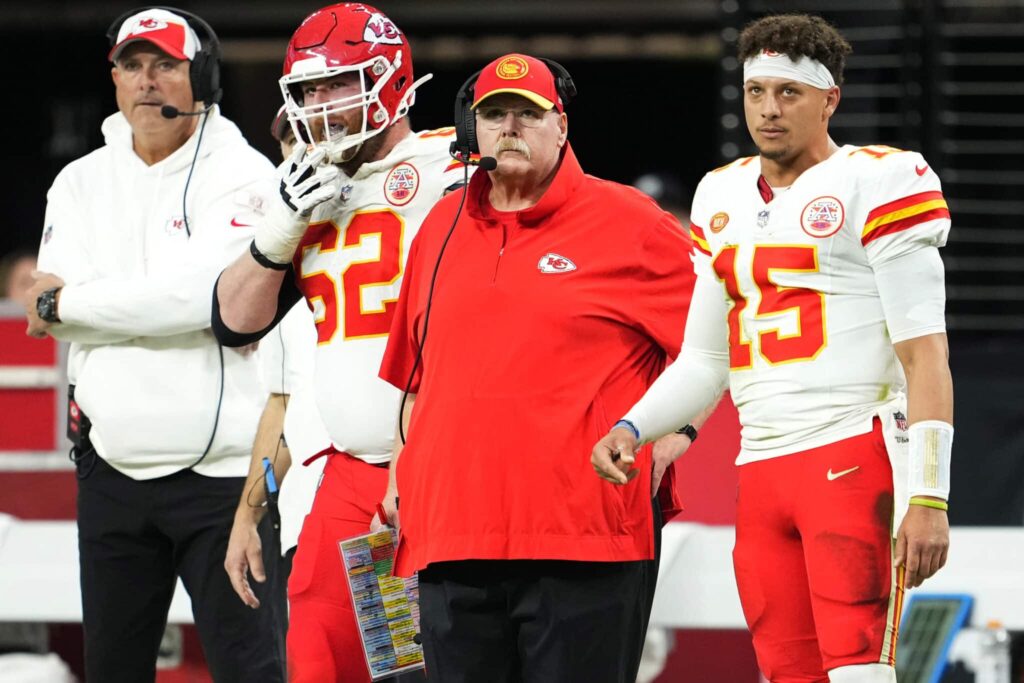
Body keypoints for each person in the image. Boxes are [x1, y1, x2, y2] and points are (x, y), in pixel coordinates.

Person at [592, 14, 953, 683]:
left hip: (855, 451)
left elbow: (925, 353)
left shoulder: (881, 180)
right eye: (756, 91)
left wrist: (930, 494)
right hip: (759, 467)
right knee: (787, 674)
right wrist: (635, 426)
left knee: (859, 672)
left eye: (788, 92)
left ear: (829, 100)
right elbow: (705, 359)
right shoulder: (719, 194)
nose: (768, 108)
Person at [378, 53, 697, 683]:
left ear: (562, 127)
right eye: (494, 114)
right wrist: (397, 476)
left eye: (529, 113)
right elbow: (419, 378)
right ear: (474, 131)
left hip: (584, 540)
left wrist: (677, 433)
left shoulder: (630, 221)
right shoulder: (439, 227)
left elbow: (720, 345)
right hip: (450, 537)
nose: (510, 127)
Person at [21, 7, 283, 682]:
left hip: (224, 484)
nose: (147, 82)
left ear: (201, 77)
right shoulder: (78, 180)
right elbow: (53, 313)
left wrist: (74, 303)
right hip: (112, 470)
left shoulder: (245, 173)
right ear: (113, 78)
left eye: (165, 65)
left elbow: (203, 298)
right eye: (131, 66)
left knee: (251, 671)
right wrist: (134, 303)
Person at [212, 4, 467, 681]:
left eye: (337, 87)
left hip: (442, 469)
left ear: (388, 81)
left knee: (422, 662)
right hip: (347, 473)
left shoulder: (452, 165)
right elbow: (272, 398)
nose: (318, 112)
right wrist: (253, 510)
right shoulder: (301, 212)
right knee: (324, 651)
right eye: (307, 94)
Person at [223, 105, 330, 660]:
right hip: (305, 528)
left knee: (396, 667)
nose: (301, 153)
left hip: (387, 517)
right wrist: (249, 515)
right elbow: (282, 410)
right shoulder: (282, 267)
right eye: (291, 141)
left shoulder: (405, 237)